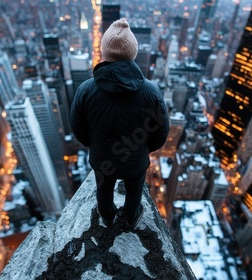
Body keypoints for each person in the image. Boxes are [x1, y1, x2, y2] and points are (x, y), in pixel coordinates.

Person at [70, 18, 169, 228]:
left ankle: (106, 216)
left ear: (104, 52)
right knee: (134, 191)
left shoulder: (86, 90)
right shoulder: (151, 92)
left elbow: (78, 128)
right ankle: (131, 217)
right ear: (133, 52)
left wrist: (96, 144)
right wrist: (141, 148)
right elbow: (160, 133)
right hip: (135, 160)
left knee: (103, 190)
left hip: (102, 158)